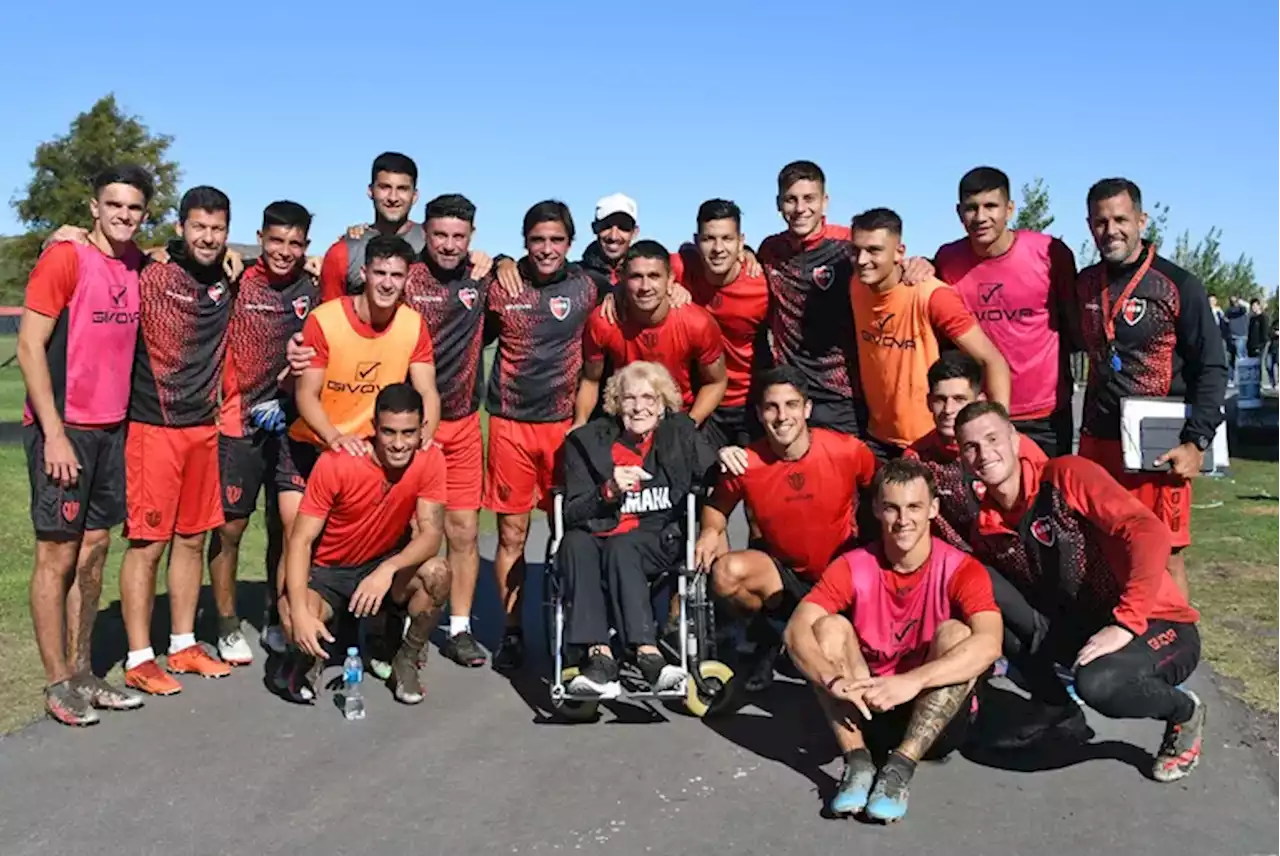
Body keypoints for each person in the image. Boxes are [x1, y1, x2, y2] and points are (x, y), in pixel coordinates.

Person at [956, 401, 1206, 782]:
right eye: (971, 446)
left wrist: (1126, 622)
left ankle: (1183, 713)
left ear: (1015, 438)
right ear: (962, 458)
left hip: (1156, 623)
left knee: (1100, 684)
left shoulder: (1064, 476)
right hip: (1085, 628)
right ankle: (1055, 708)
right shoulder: (988, 528)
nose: (984, 452)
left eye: (992, 438)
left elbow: (1148, 530)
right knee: (977, 580)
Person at [785, 459, 1002, 821]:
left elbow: (990, 644)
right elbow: (795, 630)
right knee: (828, 627)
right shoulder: (853, 564)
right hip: (869, 708)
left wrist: (911, 681)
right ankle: (857, 763)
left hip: (933, 721)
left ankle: (901, 767)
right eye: (892, 508)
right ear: (876, 509)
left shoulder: (962, 568)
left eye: (915, 507)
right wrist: (832, 680)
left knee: (958, 634)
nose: (903, 520)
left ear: (933, 509)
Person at [19, 165, 153, 725]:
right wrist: (53, 433)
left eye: (134, 208)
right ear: (94, 206)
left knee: (95, 550)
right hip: (63, 429)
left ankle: (83, 671)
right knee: (58, 554)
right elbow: (29, 346)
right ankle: (57, 683)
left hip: (111, 429)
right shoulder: (65, 258)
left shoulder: (138, 263)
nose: (124, 215)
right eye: (114, 205)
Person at [1073, 178, 1227, 599]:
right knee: (1100, 548)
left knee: (1164, 554)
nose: (1111, 230)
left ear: (1141, 220)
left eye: (1121, 219)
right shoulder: (1085, 284)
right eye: (1101, 221)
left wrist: (1197, 441)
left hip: (1158, 443)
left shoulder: (1177, 284)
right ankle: (1117, 646)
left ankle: (1176, 649)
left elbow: (1212, 366)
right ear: (1089, 225)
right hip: (1097, 439)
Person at [117, 186, 237, 695]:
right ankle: (139, 656)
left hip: (202, 430)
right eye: (199, 228)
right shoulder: (151, 270)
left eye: (217, 229)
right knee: (147, 544)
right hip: (153, 428)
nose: (208, 238)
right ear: (181, 227)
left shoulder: (231, 279)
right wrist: (66, 235)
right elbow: (99, 251)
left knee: (191, 539)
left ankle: (183, 645)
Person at [695, 366, 878, 690]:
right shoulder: (747, 462)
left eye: (791, 405)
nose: (782, 416)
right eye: (772, 407)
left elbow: (881, 489)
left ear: (807, 409)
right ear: (759, 413)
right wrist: (710, 532)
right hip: (784, 573)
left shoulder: (847, 450)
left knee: (844, 661)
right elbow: (716, 508)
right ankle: (768, 635)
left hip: (841, 572)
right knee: (726, 574)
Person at [484, 200, 599, 671]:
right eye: (537, 240)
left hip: (562, 428)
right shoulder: (503, 287)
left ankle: (573, 626)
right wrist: (497, 262)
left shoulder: (589, 286)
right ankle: (512, 632)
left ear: (569, 244)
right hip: (510, 423)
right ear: (524, 242)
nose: (546, 249)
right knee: (512, 534)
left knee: (566, 533)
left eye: (555, 240)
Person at [558, 362, 719, 695]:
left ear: (662, 405)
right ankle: (599, 659)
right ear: (617, 403)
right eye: (629, 397)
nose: (638, 406)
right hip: (598, 532)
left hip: (656, 538)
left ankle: (648, 654)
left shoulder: (679, 433)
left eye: (649, 397)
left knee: (623, 546)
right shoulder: (587, 442)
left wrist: (728, 454)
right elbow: (572, 511)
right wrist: (607, 491)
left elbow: (712, 472)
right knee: (574, 543)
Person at [284, 384, 451, 704]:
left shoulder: (431, 459)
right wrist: (300, 614)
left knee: (439, 573)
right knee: (294, 613)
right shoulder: (338, 463)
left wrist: (388, 569)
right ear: (374, 428)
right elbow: (301, 540)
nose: (399, 444)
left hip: (381, 565)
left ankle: (405, 659)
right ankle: (307, 659)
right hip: (329, 572)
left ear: (422, 430)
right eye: (389, 432)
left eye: (408, 433)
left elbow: (431, 534)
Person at [210, 201, 319, 661]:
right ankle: (227, 622)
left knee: (285, 528)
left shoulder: (312, 287)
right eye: (276, 240)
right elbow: (167, 256)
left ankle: (278, 617)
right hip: (239, 425)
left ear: (306, 246)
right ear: (260, 237)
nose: (285, 251)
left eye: (295, 243)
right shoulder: (236, 280)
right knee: (230, 529)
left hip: (292, 426)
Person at [757, 161, 933, 436]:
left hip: (842, 394)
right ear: (778, 204)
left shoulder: (848, 245)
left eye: (809, 198)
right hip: (791, 391)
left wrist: (921, 264)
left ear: (824, 201)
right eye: (791, 200)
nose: (800, 208)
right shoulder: (770, 250)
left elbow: (888, 262)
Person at [402, 194, 493, 667]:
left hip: (461, 425)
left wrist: (505, 262)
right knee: (411, 530)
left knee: (463, 531)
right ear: (425, 232)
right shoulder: (405, 276)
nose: (449, 244)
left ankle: (459, 628)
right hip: (408, 430)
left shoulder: (484, 278)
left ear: (471, 237)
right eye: (440, 234)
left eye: (459, 236)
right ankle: (400, 625)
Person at [934, 167, 1080, 457]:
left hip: (1044, 414)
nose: (980, 217)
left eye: (991, 206)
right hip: (979, 410)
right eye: (971, 208)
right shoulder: (947, 260)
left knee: (1047, 498)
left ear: (1009, 208)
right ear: (958, 212)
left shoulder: (1050, 253)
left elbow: (1074, 327)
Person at [849, 208, 1010, 461]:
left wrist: (1000, 432)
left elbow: (993, 361)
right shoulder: (856, 285)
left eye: (874, 250)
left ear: (899, 252)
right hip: (877, 437)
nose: (861, 260)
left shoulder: (931, 295)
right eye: (856, 250)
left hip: (930, 442)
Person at [576, 240, 727, 427]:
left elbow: (716, 382)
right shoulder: (603, 321)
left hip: (678, 415)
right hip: (626, 417)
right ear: (622, 278)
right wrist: (580, 422)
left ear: (670, 279)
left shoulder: (697, 322)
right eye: (636, 277)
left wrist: (689, 423)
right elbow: (591, 380)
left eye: (654, 276)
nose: (645, 286)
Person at [904, 352, 1046, 549]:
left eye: (959, 399)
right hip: (958, 561)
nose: (948, 409)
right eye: (940, 399)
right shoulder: (918, 459)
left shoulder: (1013, 447)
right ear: (929, 402)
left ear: (979, 400)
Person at [318, 152, 491, 302]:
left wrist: (502, 262)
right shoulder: (345, 251)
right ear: (370, 191)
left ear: (414, 195)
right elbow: (329, 319)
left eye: (402, 189)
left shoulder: (433, 241)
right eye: (385, 187)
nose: (393, 197)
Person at [670, 199, 770, 448]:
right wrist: (611, 296)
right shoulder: (679, 269)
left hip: (748, 402)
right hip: (700, 400)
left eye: (727, 238)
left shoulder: (761, 285)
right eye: (708, 239)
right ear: (696, 241)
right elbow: (636, 273)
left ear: (741, 241)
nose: (718, 248)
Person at [1225, 295, 1249, 383]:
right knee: (1230, 359)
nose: (1233, 301)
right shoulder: (1229, 310)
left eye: (1235, 300)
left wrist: (1240, 302)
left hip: (1241, 336)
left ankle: (1243, 378)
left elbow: (1246, 307)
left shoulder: (1242, 309)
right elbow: (1226, 319)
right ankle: (1231, 379)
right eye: (1232, 300)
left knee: (1241, 358)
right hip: (1231, 336)